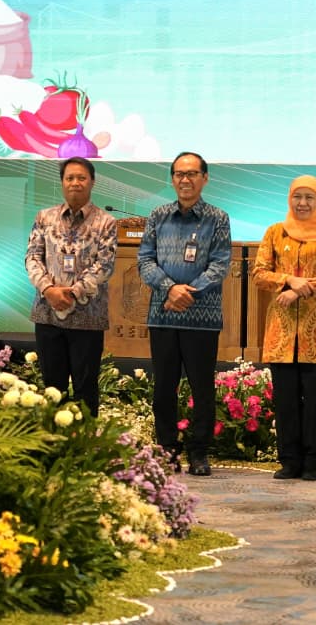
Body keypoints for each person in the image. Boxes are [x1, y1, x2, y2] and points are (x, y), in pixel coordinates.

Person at [137, 152, 232, 476]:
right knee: (164, 388)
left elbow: (220, 264)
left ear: (205, 178)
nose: (185, 179)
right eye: (179, 174)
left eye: (192, 174)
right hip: (163, 316)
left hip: (202, 320)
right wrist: (169, 289)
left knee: (202, 389)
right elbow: (145, 260)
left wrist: (186, 293)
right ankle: (167, 451)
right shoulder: (158, 216)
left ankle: (199, 452)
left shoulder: (218, 218)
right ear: (172, 179)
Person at [252, 175, 316, 482]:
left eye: (310, 197)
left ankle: (314, 462)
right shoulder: (275, 231)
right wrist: (287, 280)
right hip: (282, 332)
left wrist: (299, 289)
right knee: (286, 401)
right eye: (298, 197)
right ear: (289, 199)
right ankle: (289, 461)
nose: (303, 203)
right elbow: (259, 273)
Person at [25, 156, 117, 417]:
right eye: (70, 178)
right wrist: (49, 290)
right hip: (48, 315)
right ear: (62, 182)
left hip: (88, 318)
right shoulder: (44, 217)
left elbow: (105, 265)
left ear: (92, 182)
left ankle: (86, 439)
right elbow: (32, 257)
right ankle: (54, 439)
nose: (75, 182)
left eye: (81, 178)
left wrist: (73, 293)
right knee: (52, 389)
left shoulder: (106, 222)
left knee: (85, 388)